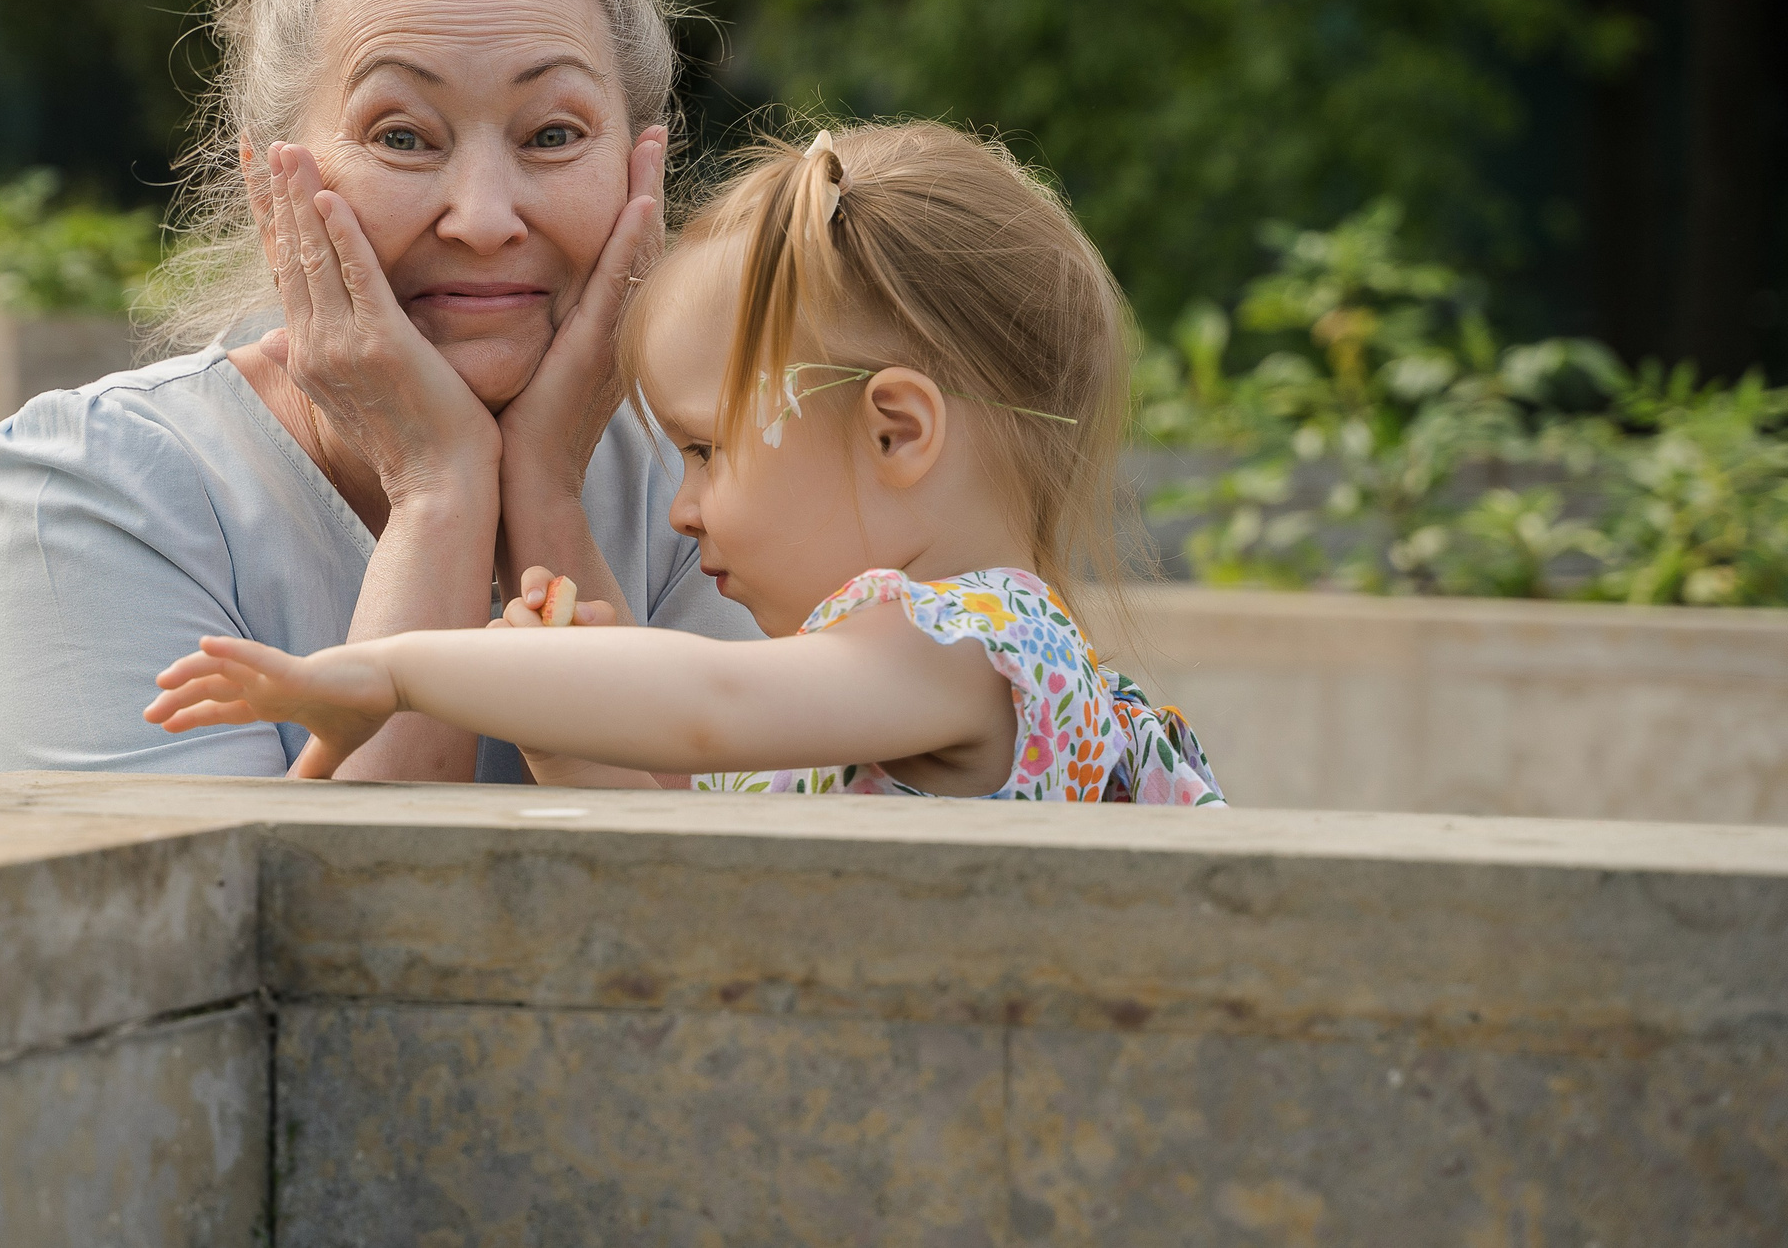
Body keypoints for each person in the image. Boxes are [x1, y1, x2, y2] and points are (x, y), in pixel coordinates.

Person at [0, 0, 760, 784]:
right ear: (270, 188)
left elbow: (729, 901)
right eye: (403, 137)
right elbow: (261, 928)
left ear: (641, 175)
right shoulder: (98, 490)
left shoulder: (712, 478)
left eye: (550, 135)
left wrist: (544, 495)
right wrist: (441, 493)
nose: (483, 218)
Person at [145, 121, 1227, 805]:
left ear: (896, 430)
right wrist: (560, 728)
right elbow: (684, 838)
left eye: (706, 449)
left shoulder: (976, 646)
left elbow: (707, 701)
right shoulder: (894, 692)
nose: (682, 509)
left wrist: (390, 673)